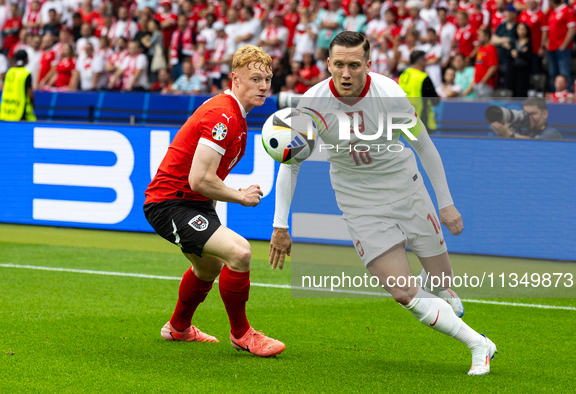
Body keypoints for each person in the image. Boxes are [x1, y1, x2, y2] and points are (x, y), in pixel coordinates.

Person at [269, 31, 497, 375]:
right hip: (359, 204)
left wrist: (446, 203)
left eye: (354, 65)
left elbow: (424, 146)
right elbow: (292, 165)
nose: (346, 74)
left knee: (441, 281)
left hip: (407, 191)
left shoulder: (389, 93)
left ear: (368, 65)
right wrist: (280, 225)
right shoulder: (311, 104)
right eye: (339, 65)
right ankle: (479, 344)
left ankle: (441, 295)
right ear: (328, 64)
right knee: (404, 291)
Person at [143, 45, 285, 357]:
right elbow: (199, 179)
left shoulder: (234, 114)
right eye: (255, 79)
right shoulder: (223, 116)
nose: (263, 86)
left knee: (208, 268)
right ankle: (242, 334)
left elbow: (203, 181)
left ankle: (178, 328)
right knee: (240, 253)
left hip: (192, 203)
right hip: (170, 203)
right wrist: (241, 197)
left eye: (268, 80)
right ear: (235, 79)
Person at [398, 50, 440, 133]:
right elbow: (435, 100)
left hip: (404, 120)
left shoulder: (403, 75)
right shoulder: (423, 77)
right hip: (421, 120)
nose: (426, 62)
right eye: (425, 60)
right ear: (421, 61)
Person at [491, 96, 563, 139]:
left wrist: (509, 135)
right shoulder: (524, 134)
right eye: (525, 113)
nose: (529, 117)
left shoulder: (552, 133)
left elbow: (537, 144)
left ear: (545, 114)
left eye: (533, 113)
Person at [546, 0, 576, 91]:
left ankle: (567, 96)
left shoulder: (567, 10)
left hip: (562, 49)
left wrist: (564, 44)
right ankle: (554, 95)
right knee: (552, 74)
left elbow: (572, 29)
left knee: (564, 73)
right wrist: (547, 42)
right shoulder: (552, 12)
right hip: (551, 48)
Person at [0, 50, 36, 121]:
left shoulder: (9, 72)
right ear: (26, 59)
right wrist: (32, 105)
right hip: (20, 111)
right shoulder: (26, 74)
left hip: (6, 110)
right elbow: (30, 94)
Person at [473, 27, 498, 98]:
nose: (478, 38)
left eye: (480, 36)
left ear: (487, 37)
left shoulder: (491, 49)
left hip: (486, 84)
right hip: (477, 83)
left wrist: (483, 82)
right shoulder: (480, 48)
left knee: (485, 106)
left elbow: (493, 67)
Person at [510, 22, 532, 97]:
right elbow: (510, 52)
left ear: (526, 31)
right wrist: (520, 52)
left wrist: (518, 53)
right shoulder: (514, 41)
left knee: (521, 89)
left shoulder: (529, 42)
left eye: (523, 29)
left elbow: (527, 55)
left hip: (524, 70)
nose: (521, 31)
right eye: (519, 29)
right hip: (514, 69)